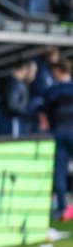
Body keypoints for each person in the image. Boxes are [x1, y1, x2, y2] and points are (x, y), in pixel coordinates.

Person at [41, 60, 73, 221]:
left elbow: (46, 110)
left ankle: (62, 208)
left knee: (59, 172)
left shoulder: (53, 91)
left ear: (59, 71)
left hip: (59, 133)